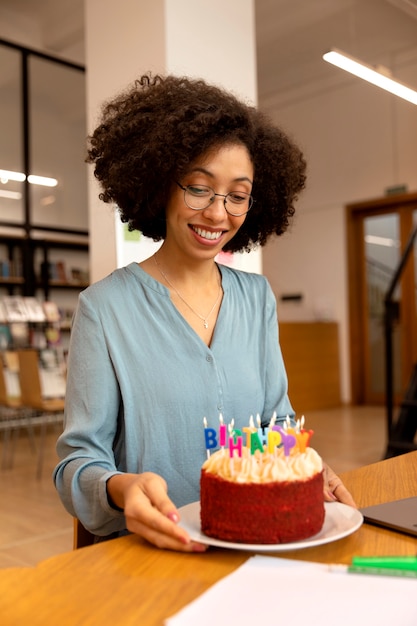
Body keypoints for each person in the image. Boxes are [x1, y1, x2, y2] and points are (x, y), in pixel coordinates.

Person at [54, 73, 356, 552]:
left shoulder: (256, 297)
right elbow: (78, 460)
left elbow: (274, 424)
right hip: (155, 549)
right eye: (199, 188)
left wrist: (301, 468)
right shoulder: (104, 308)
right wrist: (120, 489)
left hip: (253, 538)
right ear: (159, 187)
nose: (218, 213)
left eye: (237, 195)